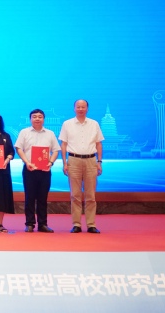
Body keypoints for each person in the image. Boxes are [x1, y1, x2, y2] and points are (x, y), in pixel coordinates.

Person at [59, 99, 104, 234]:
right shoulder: (67, 124)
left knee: (91, 195)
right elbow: (63, 145)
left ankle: (91, 224)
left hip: (91, 160)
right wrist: (64, 163)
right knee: (75, 195)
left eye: (83, 107)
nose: (80, 109)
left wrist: (99, 162)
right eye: (78, 107)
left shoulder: (94, 124)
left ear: (87, 109)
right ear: (74, 108)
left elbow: (98, 144)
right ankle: (76, 224)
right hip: (73, 160)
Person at [15, 109, 61, 233]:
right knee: (29, 197)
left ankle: (43, 224)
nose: (37, 119)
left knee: (43, 198)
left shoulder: (50, 133)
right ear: (30, 119)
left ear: (44, 119)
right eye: (34, 116)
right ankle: (29, 224)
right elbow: (19, 148)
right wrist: (27, 162)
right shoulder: (24, 132)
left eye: (40, 117)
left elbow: (56, 150)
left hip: (45, 169)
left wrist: (51, 162)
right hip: (29, 169)